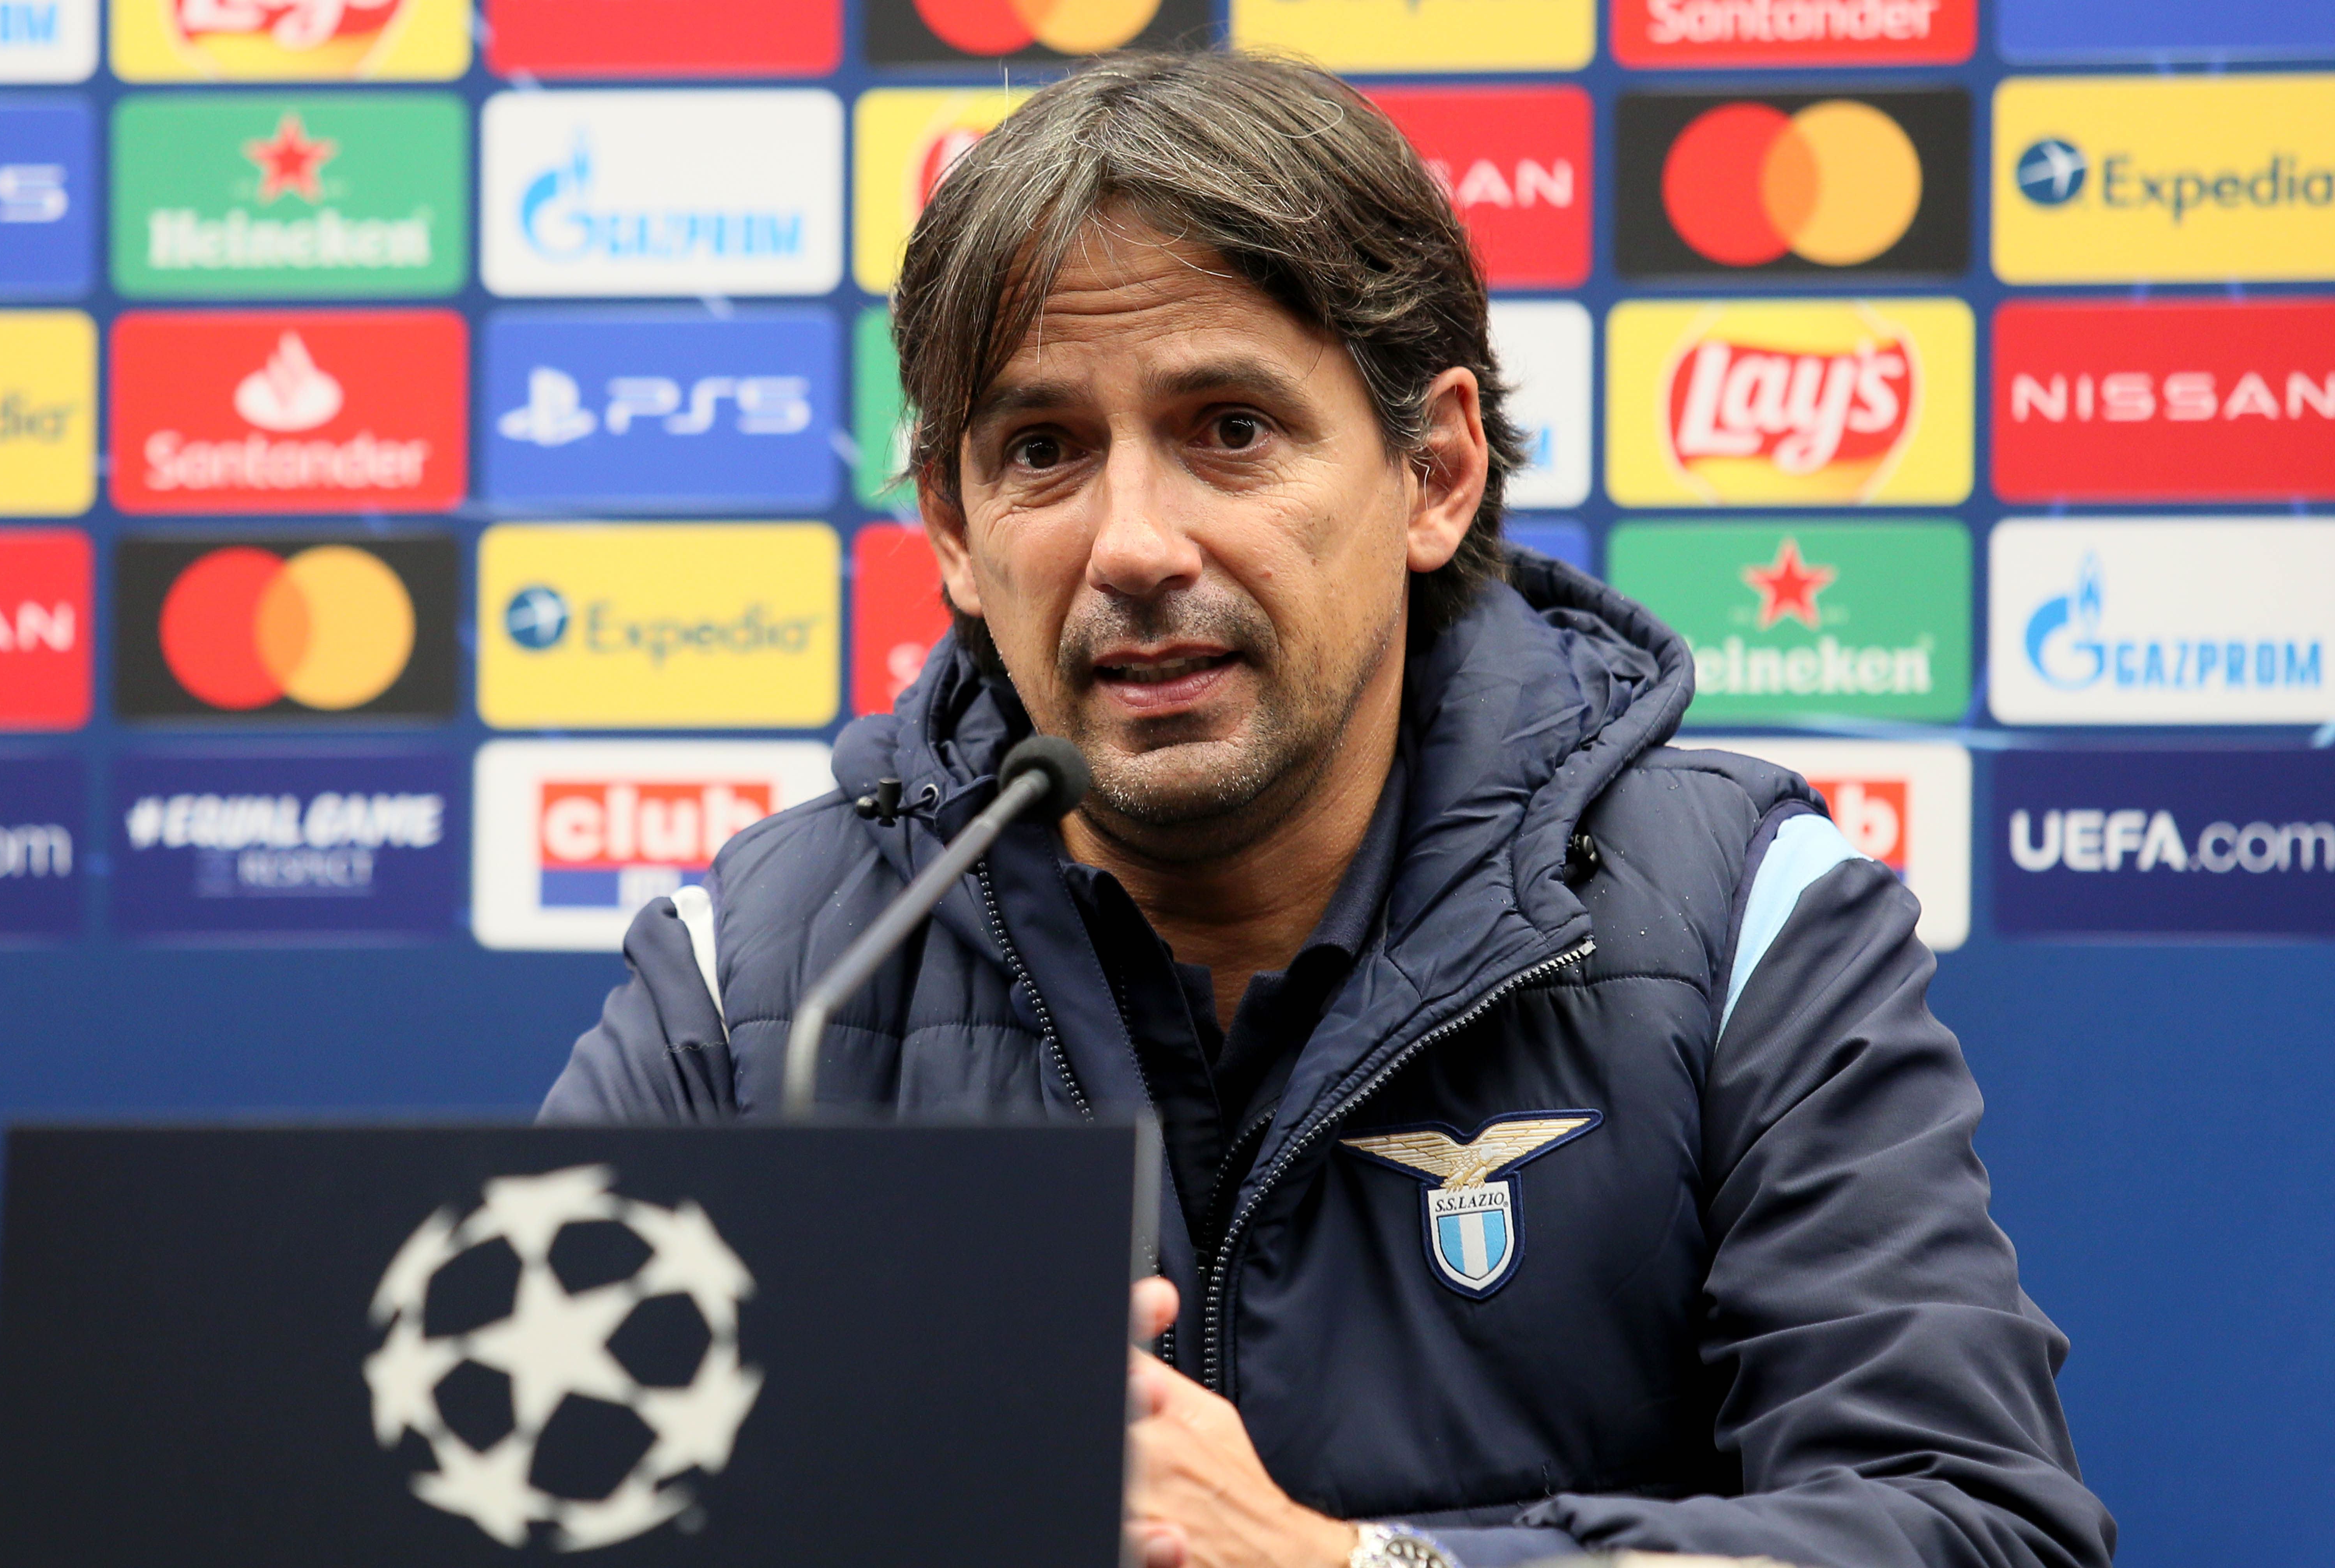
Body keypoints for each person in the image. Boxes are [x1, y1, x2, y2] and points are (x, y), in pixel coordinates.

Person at [542, 50, 2115, 1568]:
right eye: (1044, 451)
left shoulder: (1738, 922)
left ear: (1435, 472)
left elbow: (1971, 1528)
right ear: (955, 528)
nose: (1134, 544)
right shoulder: (764, 983)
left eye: (1230, 429)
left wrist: (1355, 1564)